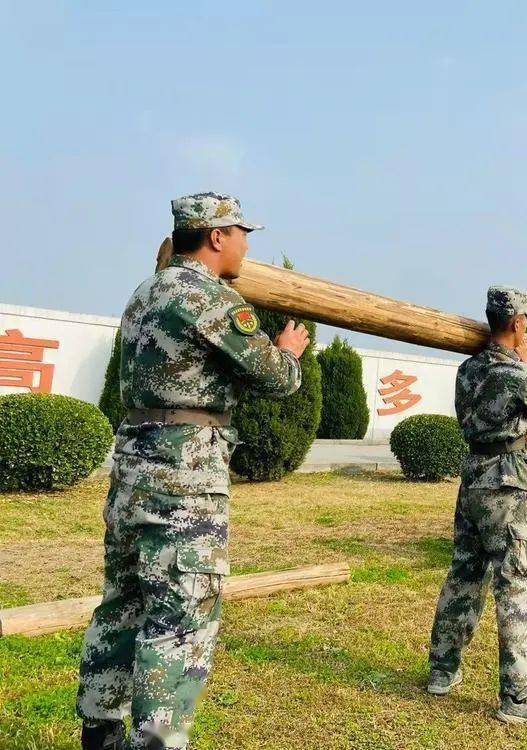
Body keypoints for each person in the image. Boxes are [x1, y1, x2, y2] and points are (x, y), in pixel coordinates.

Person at [77, 193, 309, 750]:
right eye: (241, 233)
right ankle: (157, 740)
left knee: (123, 602)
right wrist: (289, 351)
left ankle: (100, 732)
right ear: (215, 237)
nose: (246, 245)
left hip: (133, 463)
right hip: (183, 473)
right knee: (180, 614)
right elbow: (277, 379)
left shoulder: (146, 291)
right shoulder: (211, 298)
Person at [427, 286, 527, 725]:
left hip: (472, 476)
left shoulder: (468, 369)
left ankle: (442, 669)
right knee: (517, 581)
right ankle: (518, 693)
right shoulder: (520, 374)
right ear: (519, 322)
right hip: (506, 477)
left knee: (465, 571)